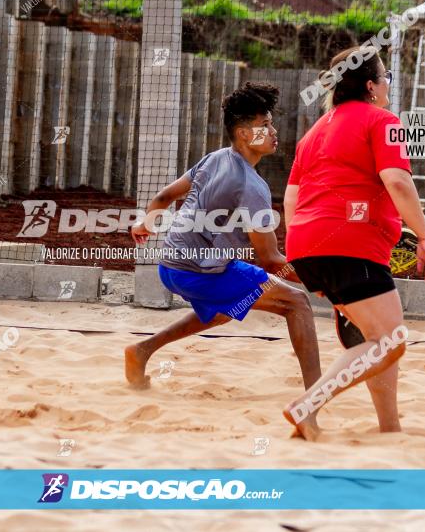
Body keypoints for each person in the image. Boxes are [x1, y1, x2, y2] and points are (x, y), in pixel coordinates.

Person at [125, 82, 321, 409]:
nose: (274, 131)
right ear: (244, 134)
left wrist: (143, 224)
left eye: (271, 123)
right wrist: (321, 279)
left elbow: (162, 198)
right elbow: (272, 261)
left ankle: (141, 351)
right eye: (265, 125)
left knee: (225, 309)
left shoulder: (215, 158)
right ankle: (318, 392)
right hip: (199, 272)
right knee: (297, 302)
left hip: (169, 264)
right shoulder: (252, 188)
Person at [282, 46, 425, 440]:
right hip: (351, 245)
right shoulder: (383, 121)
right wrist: (424, 235)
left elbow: (290, 199)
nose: (388, 85)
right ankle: (307, 406)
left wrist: (305, 246)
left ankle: (390, 427)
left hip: (306, 245)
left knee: (375, 339)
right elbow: (398, 181)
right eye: (386, 78)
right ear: (371, 86)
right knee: (390, 340)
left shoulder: (315, 131)